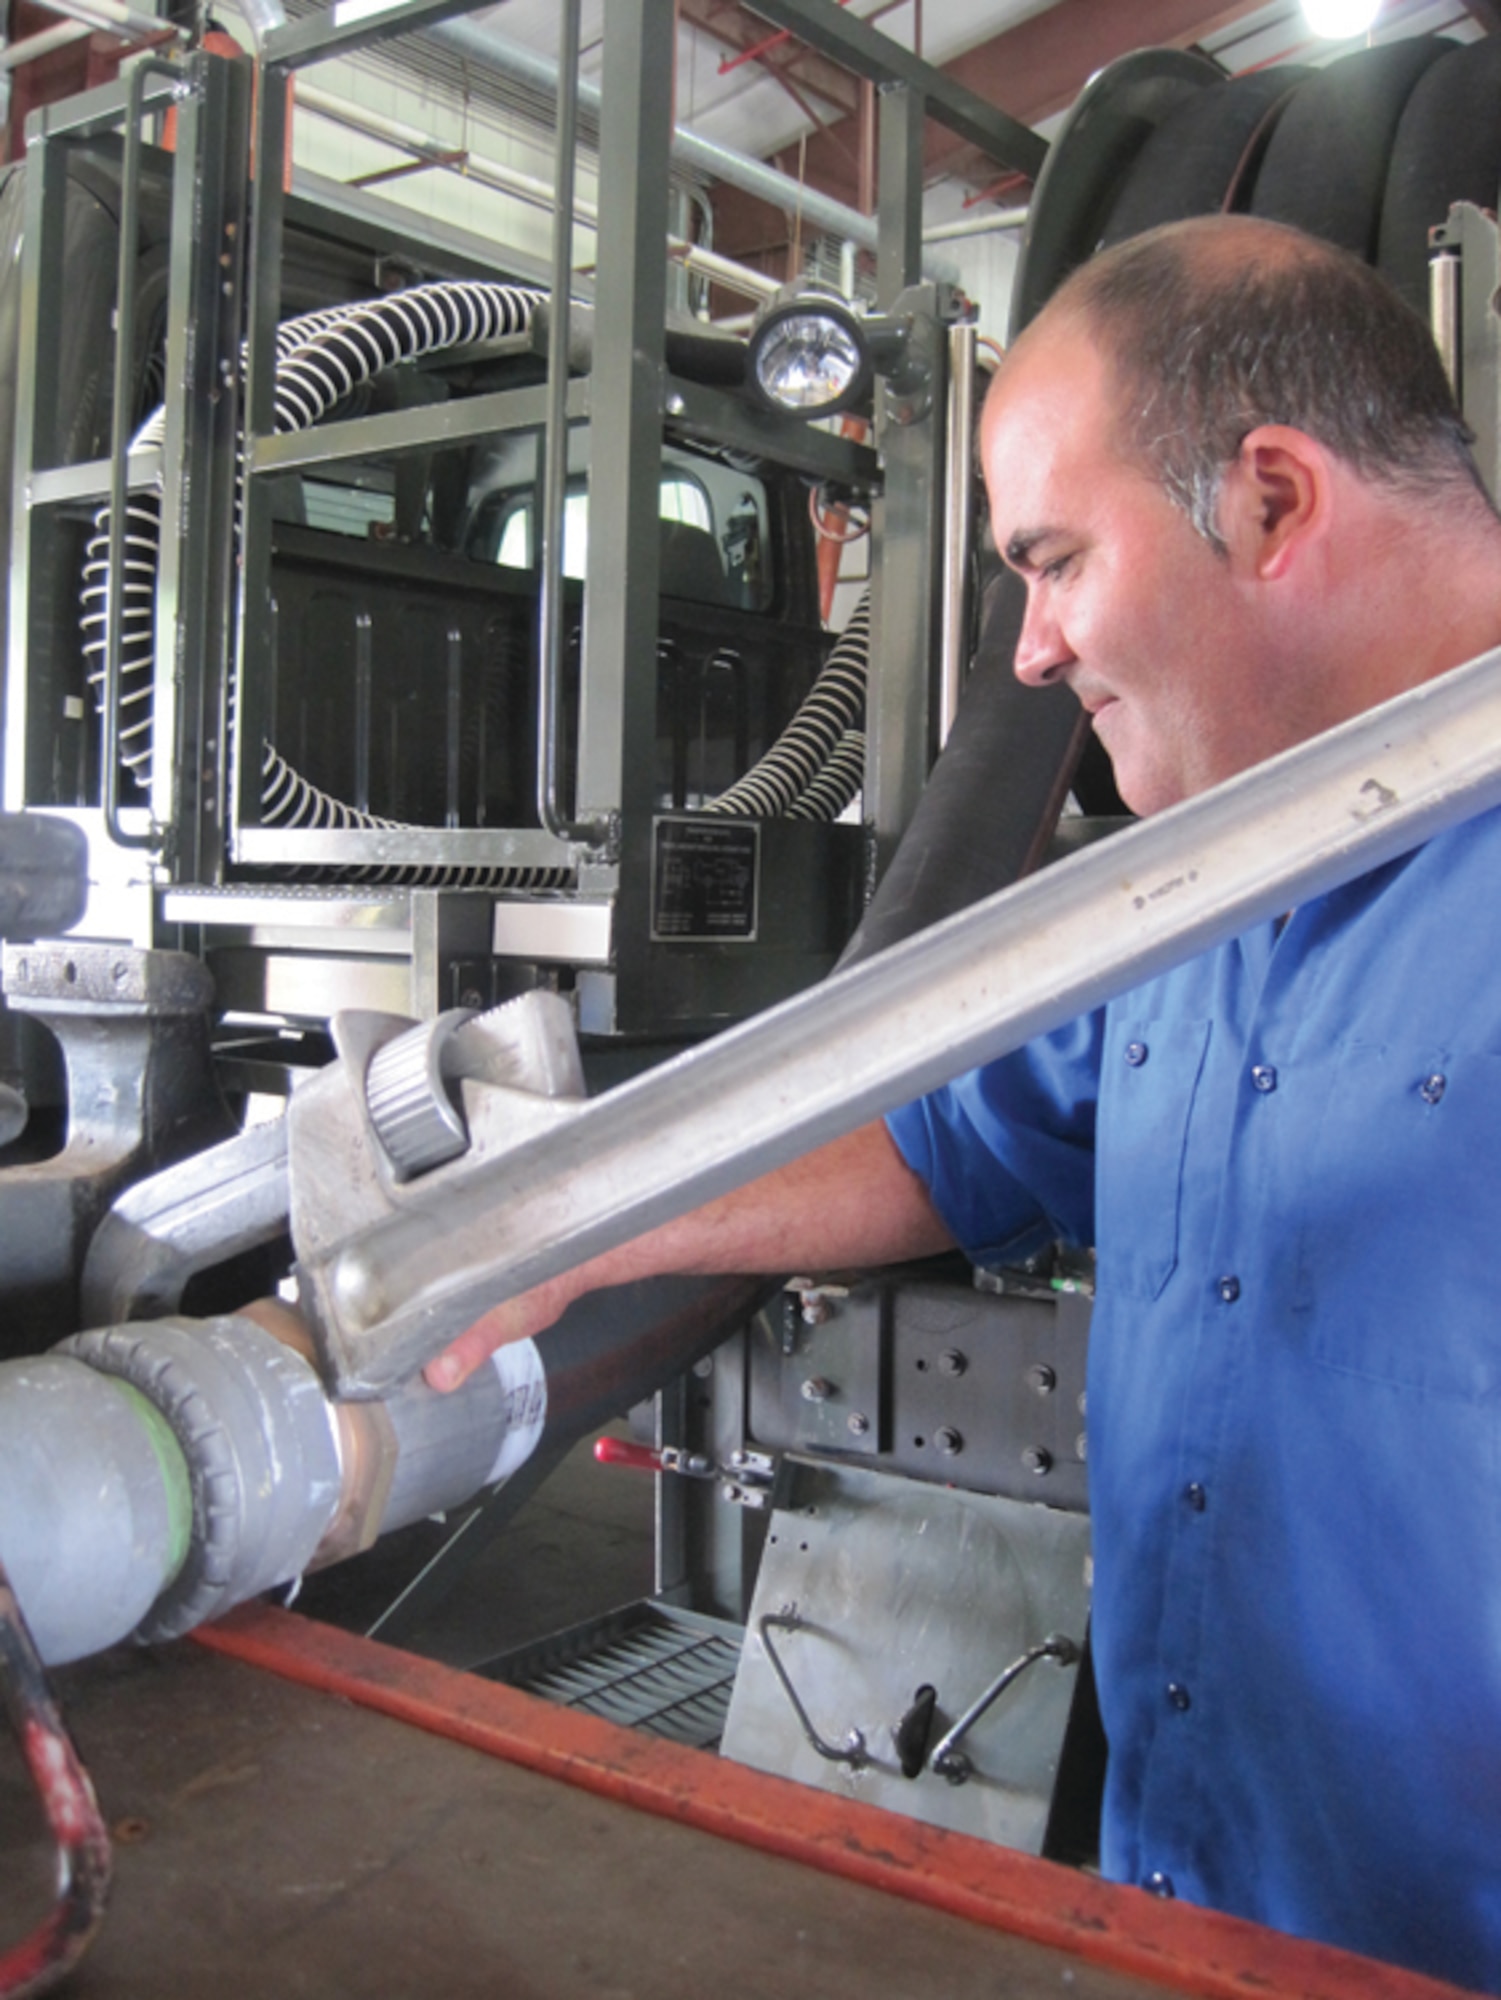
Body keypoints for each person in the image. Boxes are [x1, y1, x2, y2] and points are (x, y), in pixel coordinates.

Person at [427, 215, 1501, 1990]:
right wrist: (563, 1207)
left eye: (1056, 562)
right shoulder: (1189, 884)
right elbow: (938, 1141)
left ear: (1269, 502)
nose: (1030, 652)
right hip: (1186, 1912)